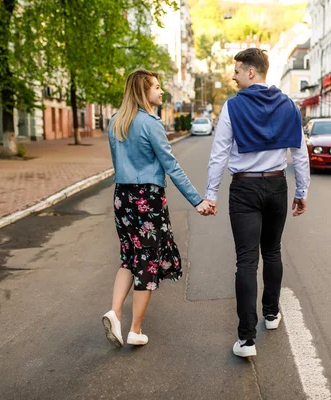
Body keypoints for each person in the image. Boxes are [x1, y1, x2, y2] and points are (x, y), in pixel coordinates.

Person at [204, 48, 310, 357]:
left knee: (246, 261)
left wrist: (211, 194)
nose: (233, 76)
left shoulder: (233, 107)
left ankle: (247, 340)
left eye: (236, 71)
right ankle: (272, 314)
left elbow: (219, 153)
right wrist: (302, 191)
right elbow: (299, 153)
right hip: (277, 185)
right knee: (273, 251)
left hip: (245, 189)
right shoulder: (289, 106)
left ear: (252, 72)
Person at [103, 69, 213, 347]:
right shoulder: (151, 123)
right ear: (143, 91)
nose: (161, 91)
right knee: (147, 261)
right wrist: (197, 200)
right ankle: (135, 330)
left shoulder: (115, 122)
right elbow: (171, 166)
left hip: (121, 197)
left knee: (129, 256)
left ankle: (115, 313)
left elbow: (118, 165)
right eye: (156, 87)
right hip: (146, 198)